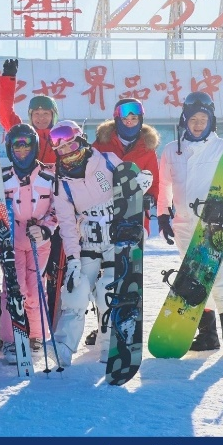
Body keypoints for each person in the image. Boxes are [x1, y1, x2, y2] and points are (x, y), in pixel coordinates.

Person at [156, 91, 223, 355]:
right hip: (183, 224)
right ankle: (207, 336)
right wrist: (163, 215)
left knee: (220, 278)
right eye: (193, 119)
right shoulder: (171, 150)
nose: (198, 124)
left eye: (203, 119)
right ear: (185, 120)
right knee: (194, 280)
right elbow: (164, 185)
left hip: (217, 225)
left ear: (211, 120)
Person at [0, 124, 58, 364]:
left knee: (36, 287)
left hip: (38, 239)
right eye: (17, 146)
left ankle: (35, 336)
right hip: (10, 239)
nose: (22, 151)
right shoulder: (2, 178)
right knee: (15, 287)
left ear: (35, 147)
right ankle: (12, 338)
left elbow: (58, 208)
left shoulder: (48, 176)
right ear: (9, 149)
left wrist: (46, 229)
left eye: (27, 145)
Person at [85, 97, 161, 345]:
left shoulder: (147, 149)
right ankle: (104, 327)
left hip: (134, 220)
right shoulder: (102, 144)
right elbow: (89, 174)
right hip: (104, 219)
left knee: (127, 276)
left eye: (134, 117)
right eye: (125, 117)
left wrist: (148, 198)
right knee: (105, 279)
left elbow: (155, 184)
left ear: (140, 119)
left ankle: (126, 322)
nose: (130, 121)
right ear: (117, 119)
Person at [48, 121, 124, 366]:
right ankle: (64, 346)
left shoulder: (107, 161)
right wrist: (72, 259)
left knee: (108, 290)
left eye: (71, 145)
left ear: (81, 140)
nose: (67, 153)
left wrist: (139, 185)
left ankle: (109, 343)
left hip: (115, 238)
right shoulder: (61, 182)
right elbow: (67, 225)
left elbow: (130, 189)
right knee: (76, 289)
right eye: (61, 149)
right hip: (88, 240)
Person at [0, 58, 59, 164]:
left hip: (56, 175)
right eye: (36, 113)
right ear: (31, 116)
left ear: (53, 116)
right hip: (27, 174)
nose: (41, 117)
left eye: (46, 113)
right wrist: (8, 78)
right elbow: (5, 113)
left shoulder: (62, 136)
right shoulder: (23, 134)